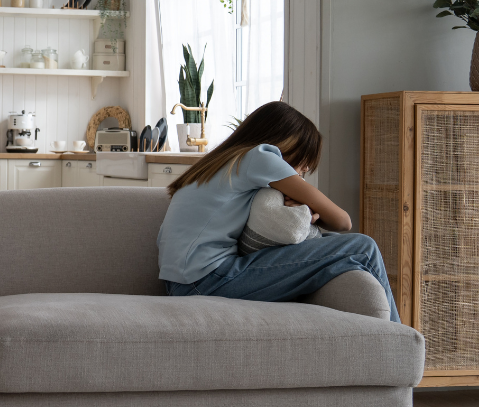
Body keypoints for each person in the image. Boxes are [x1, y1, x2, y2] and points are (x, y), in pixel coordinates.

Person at [157, 101, 400, 322]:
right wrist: (308, 205)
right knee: (363, 247)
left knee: (333, 244)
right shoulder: (259, 157)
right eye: (304, 160)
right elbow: (342, 220)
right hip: (206, 282)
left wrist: (306, 212)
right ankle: (399, 348)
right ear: (284, 142)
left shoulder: (219, 163)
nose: (303, 170)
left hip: (180, 283)